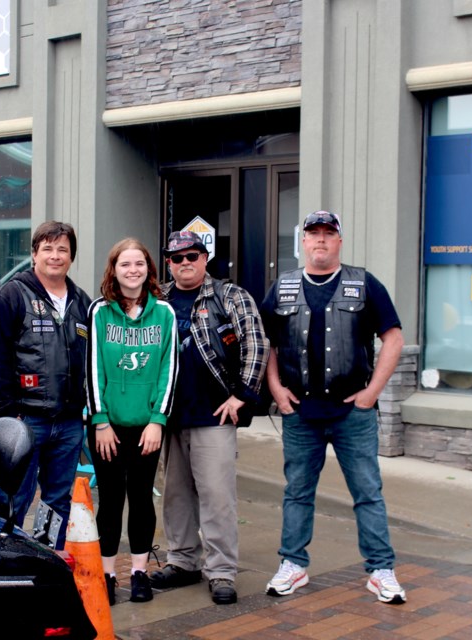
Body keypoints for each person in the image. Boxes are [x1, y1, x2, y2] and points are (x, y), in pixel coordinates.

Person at [260, 210, 407, 604]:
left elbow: (393, 338)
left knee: (368, 492)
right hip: (301, 414)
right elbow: (267, 343)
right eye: (313, 234)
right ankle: (293, 564)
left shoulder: (364, 283)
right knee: (297, 492)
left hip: (352, 414)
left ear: (339, 241)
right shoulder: (283, 287)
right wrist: (276, 390)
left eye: (328, 233)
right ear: (303, 242)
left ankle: (380, 570)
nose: (321, 240)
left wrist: (371, 393)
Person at [149, 231, 269, 605]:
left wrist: (242, 395)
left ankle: (221, 571)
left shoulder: (230, 296)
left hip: (214, 415)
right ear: (168, 262)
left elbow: (257, 343)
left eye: (193, 255)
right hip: (169, 415)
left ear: (205, 258)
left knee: (217, 496)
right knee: (176, 495)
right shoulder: (158, 299)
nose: (185, 263)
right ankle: (183, 562)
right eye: (177, 257)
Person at [0, 221, 91, 550]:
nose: (55, 256)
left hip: (69, 422)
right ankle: (1, 552)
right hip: (25, 421)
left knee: (56, 499)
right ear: (34, 254)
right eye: (48, 248)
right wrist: (8, 413)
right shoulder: (12, 295)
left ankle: (42, 554)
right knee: (14, 494)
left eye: (63, 250)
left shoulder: (82, 301)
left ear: (71, 256)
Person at [87, 238, 178, 605]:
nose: (132, 270)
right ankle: (108, 575)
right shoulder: (99, 312)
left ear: (148, 269)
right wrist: (100, 419)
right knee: (109, 500)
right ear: (114, 269)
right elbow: (92, 370)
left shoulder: (165, 314)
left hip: (146, 426)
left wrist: (157, 420)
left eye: (139, 263)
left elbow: (169, 371)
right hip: (107, 425)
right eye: (125, 264)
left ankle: (139, 572)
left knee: (141, 498)